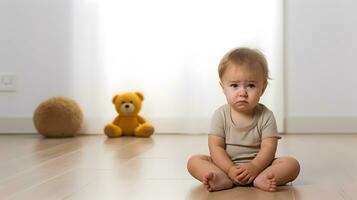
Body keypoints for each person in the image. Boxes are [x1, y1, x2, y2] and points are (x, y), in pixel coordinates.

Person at [187, 47, 300, 192]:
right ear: (223, 88)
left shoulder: (266, 116)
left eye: (251, 86)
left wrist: (254, 167)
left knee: (292, 164)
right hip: (224, 165)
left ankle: (262, 178)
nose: (242, 93)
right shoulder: (220, 115)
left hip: (260, 167)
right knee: (194, 161)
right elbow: (216, 147)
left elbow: (269, 148)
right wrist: (229, 169)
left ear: (262, 88)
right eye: (234, 85)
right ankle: (221, 177)